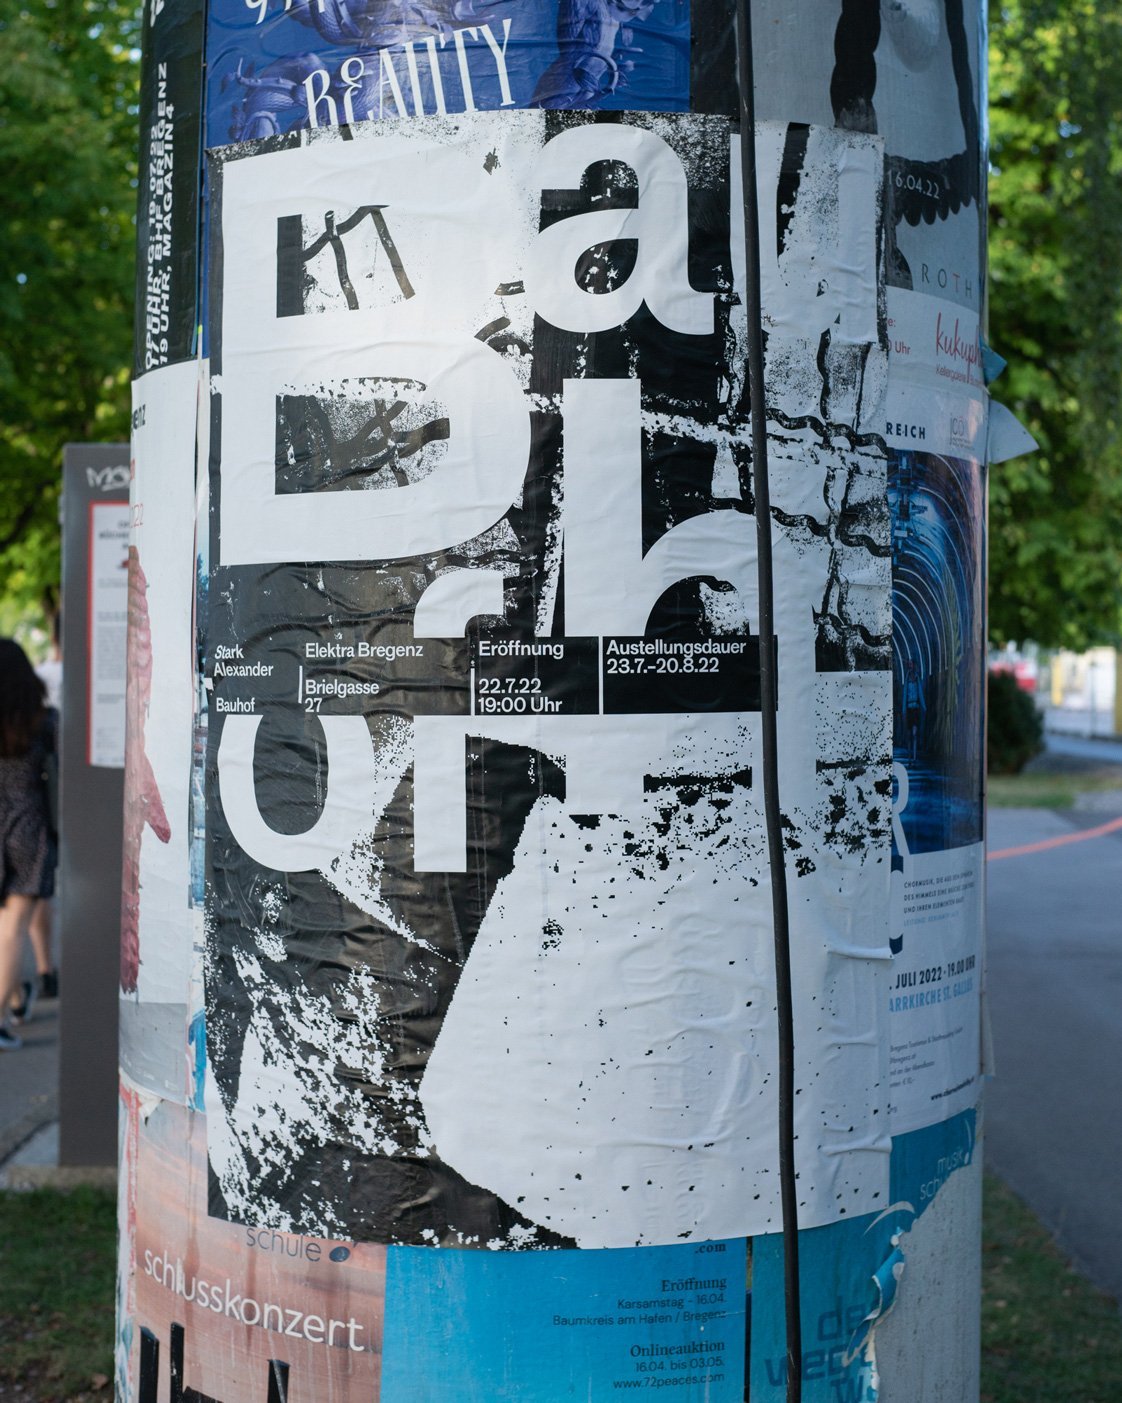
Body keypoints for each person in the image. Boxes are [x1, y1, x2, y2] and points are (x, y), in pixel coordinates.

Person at [0, 639, 58, 1049]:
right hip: (28, 829)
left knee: (5, 929)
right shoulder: (43, 721)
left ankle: (17, 998)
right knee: (13, 928)